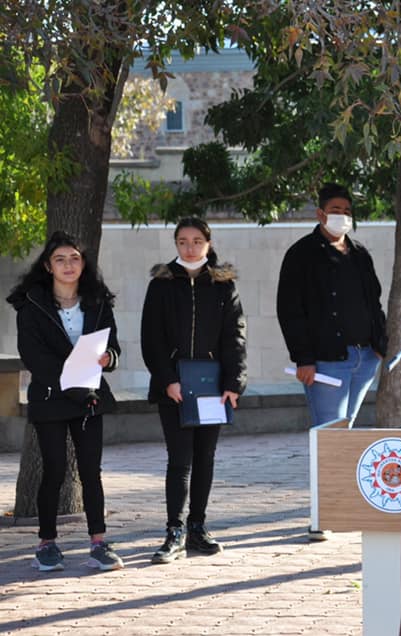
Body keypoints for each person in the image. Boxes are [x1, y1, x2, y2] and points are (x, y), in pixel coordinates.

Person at [6, 231, 124, 572]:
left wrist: (109, 358)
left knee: (91, 471)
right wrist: (75, 384)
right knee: (54, 470)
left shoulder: (97, 301)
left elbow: (112, 346)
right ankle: (46, 544)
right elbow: (34, 357)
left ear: (83, 263)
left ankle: (98, 543)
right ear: (48, 266)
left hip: (89, 397)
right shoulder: (32, 305)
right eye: (60, 259)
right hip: (51, 397)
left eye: (74, 258)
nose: (68, 265)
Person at [277, 183, 388, 541]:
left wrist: (380, 346)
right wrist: (303, 359)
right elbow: (289, 311)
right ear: (321, 213)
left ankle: (339, 505)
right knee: (328, 436)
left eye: (348, 210)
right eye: (336, 210)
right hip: (326, 362)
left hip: (363, 358)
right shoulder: (301, 254)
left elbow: (374, 302)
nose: (343, 216)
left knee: (345, 434)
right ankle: (321, 514)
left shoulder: (359, 253)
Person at [141, 217, 247, 564]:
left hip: (212, 386)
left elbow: (235, 336)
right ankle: (174, 531)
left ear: (208, 244)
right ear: (176, 244)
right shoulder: (161, 284)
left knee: (205, 457)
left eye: (197, 241)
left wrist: (233, 383)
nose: (190, 248)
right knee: (179, 458)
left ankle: (197, 527)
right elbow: (151, 338)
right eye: (183, 241)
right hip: (174, 387)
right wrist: (167, 379)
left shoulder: (223, 285)